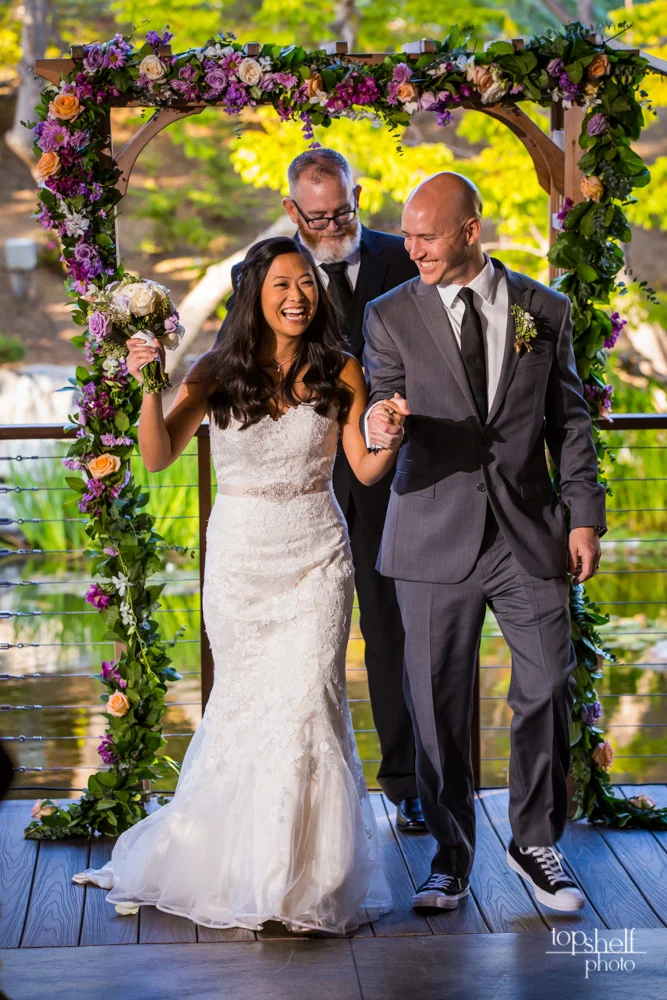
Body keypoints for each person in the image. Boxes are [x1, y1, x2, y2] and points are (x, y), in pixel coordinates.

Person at [72, 236, 404, 935]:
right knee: (246, 711)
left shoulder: (341, 369)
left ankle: (304, 881)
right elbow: (157, 456)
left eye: (306, 283)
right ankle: (243, 870)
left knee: (309, 704)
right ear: (255, 293)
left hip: (317, 558)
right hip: (240, 562)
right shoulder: (215, 370)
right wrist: (149, 385)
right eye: (282, 284)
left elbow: (366, 469)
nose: (298, 296)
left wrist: (391, 439)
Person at [363, 172, 606, 914]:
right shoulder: (388, 314)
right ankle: (450, 855)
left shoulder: (544, 308)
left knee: (548, 681)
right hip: (431, 531)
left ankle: (534, 841)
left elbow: (569, 422)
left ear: (470, 231)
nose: (412, 250)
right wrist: (383, 423)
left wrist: (583, 516)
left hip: (527, 531)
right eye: (407, 235)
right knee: (436, 702)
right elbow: (382, 397)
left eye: (426, 236)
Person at [218, 149, 426, 832]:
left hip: (386, 473)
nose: (333, 225)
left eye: (342, 212)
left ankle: (407, 783)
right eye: (317, 218)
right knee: (290, 662)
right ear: (291, 211)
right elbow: (235, 367)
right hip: (301, 491)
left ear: (357, 195)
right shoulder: (258, 274)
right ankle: (265, 801)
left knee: (390, 627)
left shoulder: (404, 258)